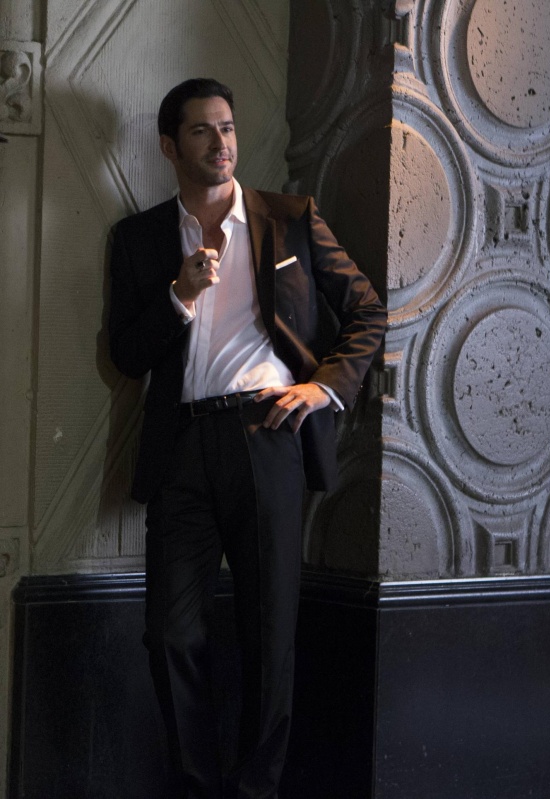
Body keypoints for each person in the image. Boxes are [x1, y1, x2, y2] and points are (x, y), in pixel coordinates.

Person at [108, 77, 386, 799]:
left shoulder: (289, 219)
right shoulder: (138, 238)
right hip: (181, 449)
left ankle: (256, 790)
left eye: (227, 127)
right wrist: (179, 296)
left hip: (268, 435)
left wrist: (324, 387)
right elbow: (127, 355)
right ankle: (197, 785)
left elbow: (366, 312)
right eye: (201, 130)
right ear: (170, 146)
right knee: (170, 633)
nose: (221, 142)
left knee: (270, 634)